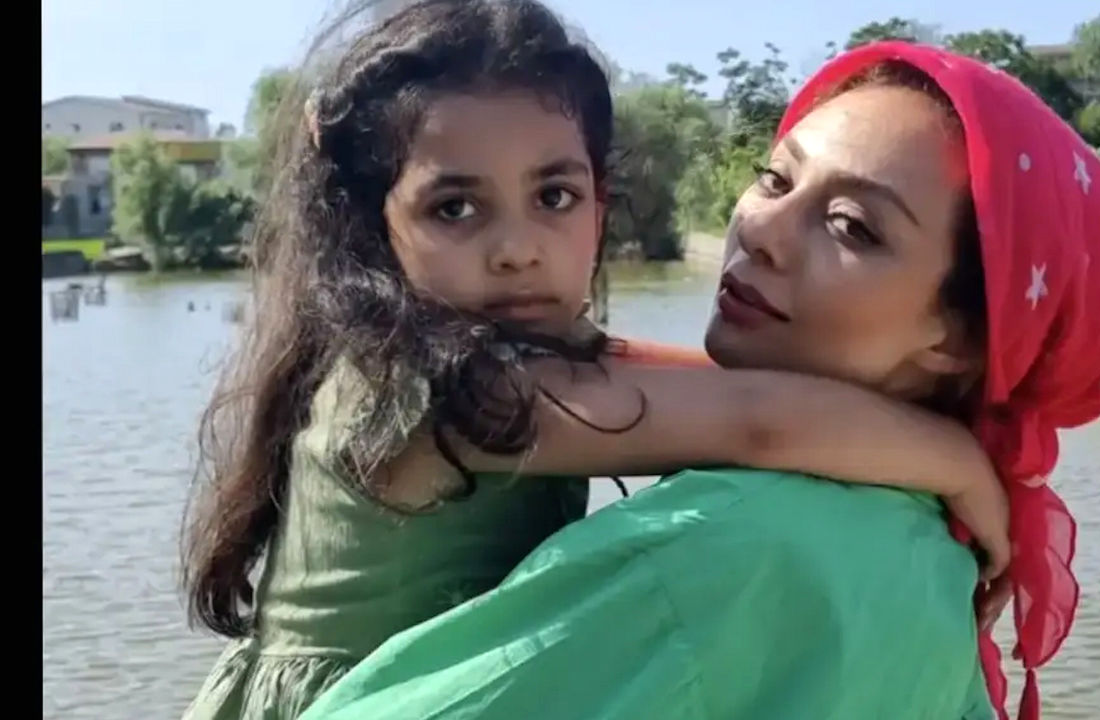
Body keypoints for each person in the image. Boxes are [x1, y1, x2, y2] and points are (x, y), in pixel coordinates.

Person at [298, 42, 1100, 720]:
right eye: (774, 179)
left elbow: (735, 408)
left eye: (850, 225)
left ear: (959, 339)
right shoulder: (924, 546)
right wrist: (952, 458)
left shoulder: (728, 551)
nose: (761, 230)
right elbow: (747, 414)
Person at [179, 6, 1011, 718]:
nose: (517, 248)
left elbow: (717, 389)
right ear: (373, 225)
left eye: (554, 197)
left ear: (600, 203)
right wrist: (959, 463)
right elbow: (757, 422)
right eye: (455, 208)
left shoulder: (509, 351)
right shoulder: (445, 390)